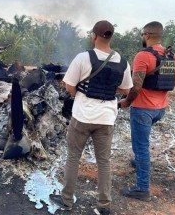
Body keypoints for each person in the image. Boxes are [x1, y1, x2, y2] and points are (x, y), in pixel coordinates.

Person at [49, 20, 133, 215]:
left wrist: (78, 93)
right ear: (111, 37)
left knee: (73, 157)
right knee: (104, 161)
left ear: (94, 36)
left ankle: (67, 200)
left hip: (82, 117)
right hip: (106, 119)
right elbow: (126, 89)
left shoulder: (83, 57)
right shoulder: (123, 62)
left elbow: (69, 86)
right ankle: (104, 205)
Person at [118, 21, 175, 201]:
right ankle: (138, 163)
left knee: (142, 147)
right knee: (142, 145)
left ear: (146, 35)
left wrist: (127, 102)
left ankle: (142, 188)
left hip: (143, 110)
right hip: (160, 109)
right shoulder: (172, 56)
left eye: (142, 35)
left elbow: (136, 86)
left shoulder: (143, 56)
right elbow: (173, 83)